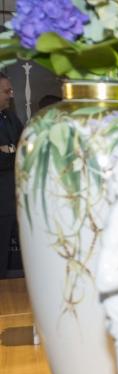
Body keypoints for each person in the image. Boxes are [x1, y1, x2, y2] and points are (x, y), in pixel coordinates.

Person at [0, 72, 23, 279]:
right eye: (6, 91)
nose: (11, 95)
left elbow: (23, 148)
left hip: (14, 202)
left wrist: (9, 151)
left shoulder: (10, 117)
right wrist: (9, 152)